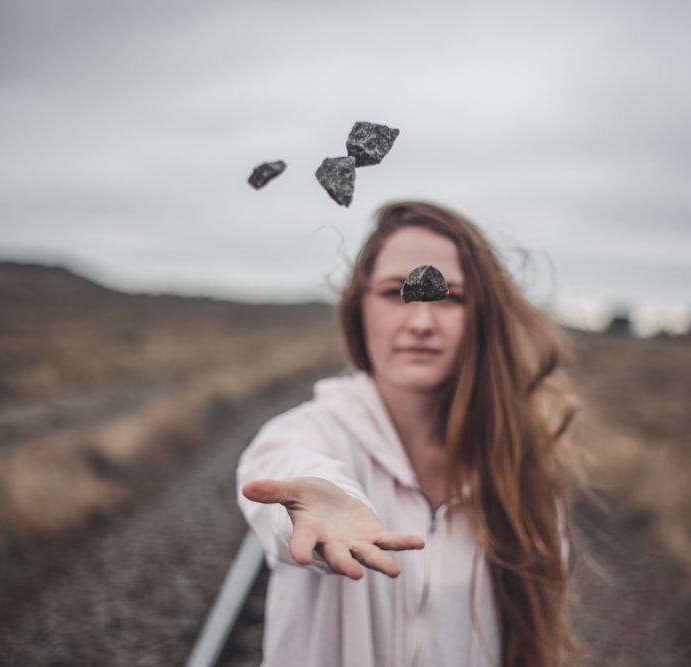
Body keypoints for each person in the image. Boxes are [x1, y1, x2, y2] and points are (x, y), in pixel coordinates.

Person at [237, 200, 580, 667]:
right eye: (396, 292)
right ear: (358, 308)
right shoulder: (307, 433)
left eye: (451, 296)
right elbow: (290, 466)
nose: (421, 321)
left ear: (480, 317)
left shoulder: (517, 465)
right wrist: (319, 503)